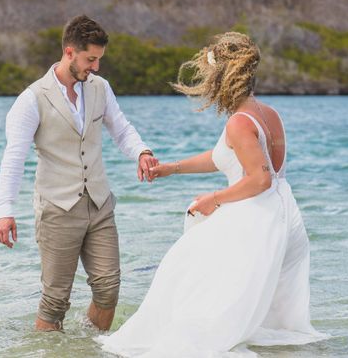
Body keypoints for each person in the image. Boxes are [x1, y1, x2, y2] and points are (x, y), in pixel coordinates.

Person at [99, 32, 328, 357]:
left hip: (255, 219)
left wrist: (215, 199)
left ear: (222, 76)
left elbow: (260, 178)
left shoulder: (239, 122)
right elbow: (227, 157)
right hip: (284, 218)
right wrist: (170, 168)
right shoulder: (268, 113)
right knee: (265, 315)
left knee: (181, 273)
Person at [0, 15, 159, 331]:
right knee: (55, 301)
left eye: (98, 60)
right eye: (90, 59)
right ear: (70, 52)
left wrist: (142, 152)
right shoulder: (32, 99)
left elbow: (121, 129)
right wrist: (4, 212)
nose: (95, 67)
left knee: (108, 290)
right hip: (57, 208)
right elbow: (14, 158)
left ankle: (88, 347)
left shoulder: (101, 88)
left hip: (99, 205)